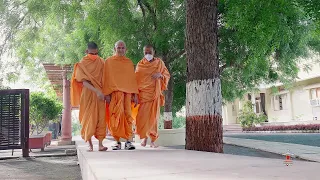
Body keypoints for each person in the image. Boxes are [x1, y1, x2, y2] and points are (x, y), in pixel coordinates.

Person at [70, 42, 107, 152]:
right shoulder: (82, 64)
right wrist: (96, 91)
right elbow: (83, 82)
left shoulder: (101, 62)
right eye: (92, 53)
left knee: (101, 118)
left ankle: (100, 144)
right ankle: (90, 145)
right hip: (88, 93)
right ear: (86, 52)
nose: (94, 55)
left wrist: (104, 93)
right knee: (88, 118)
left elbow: (105, 78)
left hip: (100, 94)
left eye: (96, 53)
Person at [103, 40, 139, 150]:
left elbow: (132, 80)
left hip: (127, 94)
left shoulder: (128, 62)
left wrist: (135, 94)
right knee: (115, 116)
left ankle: (128, 141)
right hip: (114, 94)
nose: (121, 49)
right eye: (119, 47)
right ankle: (117, 141)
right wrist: (106, 94)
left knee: (128, 116)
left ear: (126, 50)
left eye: (123, 48)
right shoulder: (108, 62)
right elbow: (106, 79)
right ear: (114, 49)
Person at [132, 45, 170, 148]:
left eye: (150, 52)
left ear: (154, 52)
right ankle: (144, 138)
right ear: (143, 52)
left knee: (153, 119)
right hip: (143, 95)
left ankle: (153, 140)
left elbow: (166, 75)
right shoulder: (140, 65)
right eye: (145, 52)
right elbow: (136, 81)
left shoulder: (160, 63)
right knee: (141, 118)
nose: (147, 54)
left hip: (154, 95)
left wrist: (160, 75)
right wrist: (135, 95)